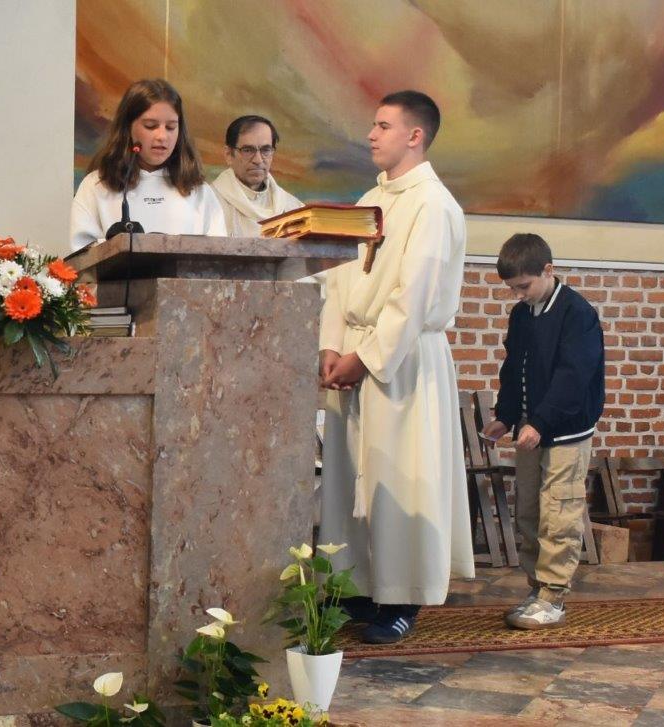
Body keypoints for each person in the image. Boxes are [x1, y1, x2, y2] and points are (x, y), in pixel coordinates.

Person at [318, 90, 474, 644]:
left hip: (403, 360)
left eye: (383, 125)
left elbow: (415, 294)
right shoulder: (371, 199)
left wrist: (365, 359)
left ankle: (403, 597)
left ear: (415, 136)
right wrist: (330, 345)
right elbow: (339, 277)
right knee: (352, 477)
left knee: (402, 477)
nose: (371, 134)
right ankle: (358, 587)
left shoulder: (434, 205)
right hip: (355, 351)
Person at [482, 233, 605, 630]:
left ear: (548, 270)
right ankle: (536, 590)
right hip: (531, 429)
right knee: (530, 512)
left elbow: (573, 377)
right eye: (512, 289)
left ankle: (554, 596)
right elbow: (514, 368)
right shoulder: (522, 315)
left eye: (524, 286)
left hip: (564, 430)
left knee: (559, 513)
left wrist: (540, 421)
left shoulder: (577, 314)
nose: (518, 295)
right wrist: (506, 416)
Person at [70, 78, 226, 251]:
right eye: (151, 126)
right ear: (127, 128)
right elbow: (80, 252)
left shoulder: (199, 191)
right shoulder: (96, 185)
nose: (162, 136)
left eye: (171, 127)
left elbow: (219, 254)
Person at [212, 115, 303, 237]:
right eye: (248, 150)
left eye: (266, 150)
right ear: (229, 154)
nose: (258, 160)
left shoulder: (293, 209)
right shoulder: (209, 203)